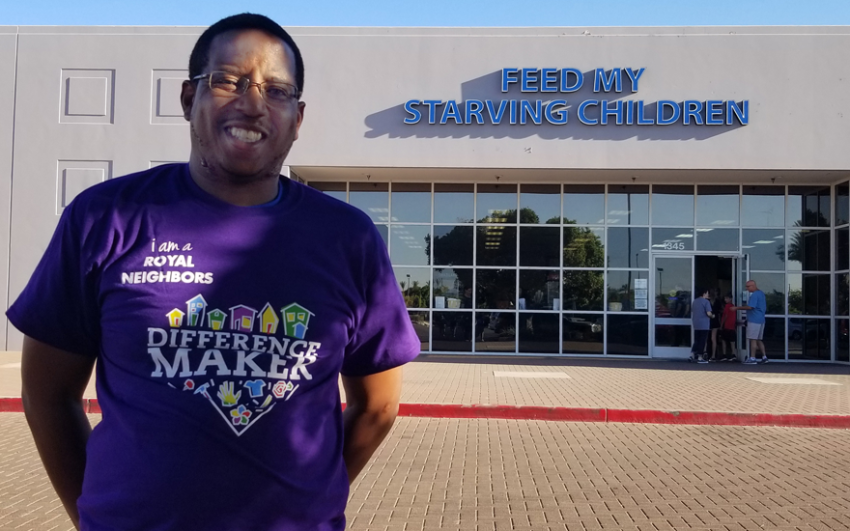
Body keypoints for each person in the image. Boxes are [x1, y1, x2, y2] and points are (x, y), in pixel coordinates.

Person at [10, 13, 421, 531]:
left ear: (297, 117)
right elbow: (47, 394)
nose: (252, 103)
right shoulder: (105, 218)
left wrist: (307, 501)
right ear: (188, 98)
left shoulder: (348, 239)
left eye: (277, 90)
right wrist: (97, 513)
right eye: (229, 81)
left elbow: (377, 407)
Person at [734, 279, 768, 364]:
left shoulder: (755, 295)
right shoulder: (761, 293)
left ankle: (752, 358)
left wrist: (737, 308)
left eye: (748, 286)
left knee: (753, 339)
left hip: (754, 320)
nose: (747, 288)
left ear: (753, 286)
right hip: (761, 320)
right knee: (758, 339)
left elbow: (750, 307)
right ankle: (764, 357)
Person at [690, 287, 714, 364]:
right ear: (704, 293)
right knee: (702, 340)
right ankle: (700, 357)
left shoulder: (695, 301)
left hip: (696, 323)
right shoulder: (706, 302)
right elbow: (708, 313)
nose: (708, 294)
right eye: (707, 293)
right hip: (704, 324)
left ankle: (693, 355)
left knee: (697, 340)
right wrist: (713, 316)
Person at [718, 292, 739, 361]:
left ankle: (724, 355)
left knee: (724, 340)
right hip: (732, 326)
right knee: (732, 341)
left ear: (730, 299)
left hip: (727, 325)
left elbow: (725, 316)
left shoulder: (727, 306)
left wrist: (721, 325)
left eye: (726, 298)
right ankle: (733, 354)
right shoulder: (733, 306)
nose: (725, 299)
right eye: (725, 298)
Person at [707, 288, 724, 361]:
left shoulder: (707, 301)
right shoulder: (717, 301)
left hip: (707, 321)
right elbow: (721, 311)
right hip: (716, 321)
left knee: (705, 338)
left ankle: (705, 353)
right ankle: (713, 355)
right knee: (713, 339)